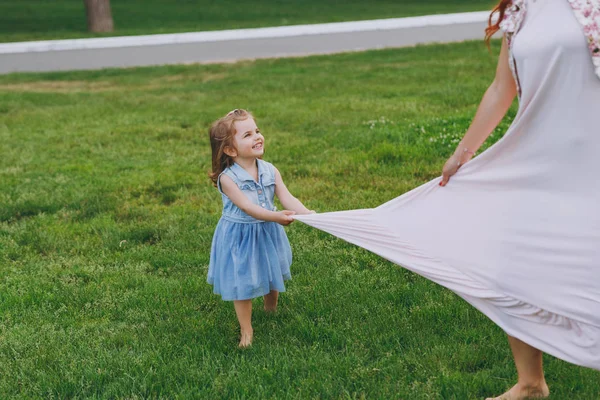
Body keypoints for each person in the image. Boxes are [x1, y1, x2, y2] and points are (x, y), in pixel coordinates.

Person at [294, 0, 600, 398]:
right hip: (535, 160)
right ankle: (530, 383)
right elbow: (500, 87)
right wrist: (463, 152)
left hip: (589, 157)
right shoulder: (520, 11)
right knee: (509, 266)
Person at [207, 108, 313, 348]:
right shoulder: (228, 178)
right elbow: (248, 208)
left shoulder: (270, 170)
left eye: (257, 131)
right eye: (247, 135)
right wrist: (275, 216)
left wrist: (306, 213)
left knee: (271, 270)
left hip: (267, 232)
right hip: (240, 236)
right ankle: (247, 330)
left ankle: (270, 309)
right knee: (242, 283)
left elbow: (287, 198)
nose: (257, 137)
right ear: (230, 150)